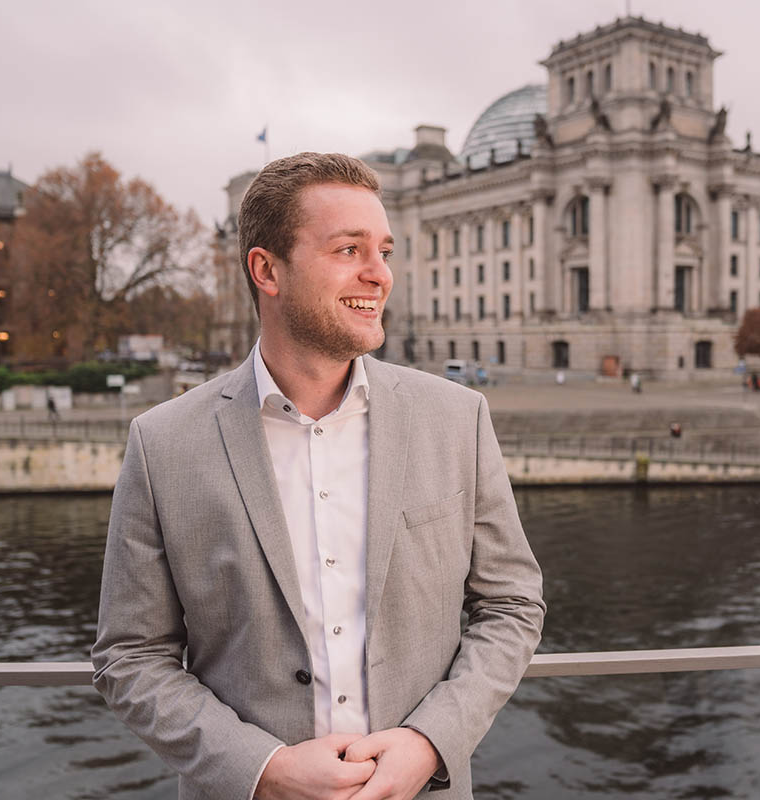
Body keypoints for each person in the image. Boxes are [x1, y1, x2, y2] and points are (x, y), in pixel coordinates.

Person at [91, 153, 545, 800]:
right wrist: (264, 769)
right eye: (348, 249)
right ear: (266, 270)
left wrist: (429, 741)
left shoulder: (457, 418)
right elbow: (130, 658)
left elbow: (512, 607)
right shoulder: (163, 444)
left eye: (384, 250)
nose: (380, 275)